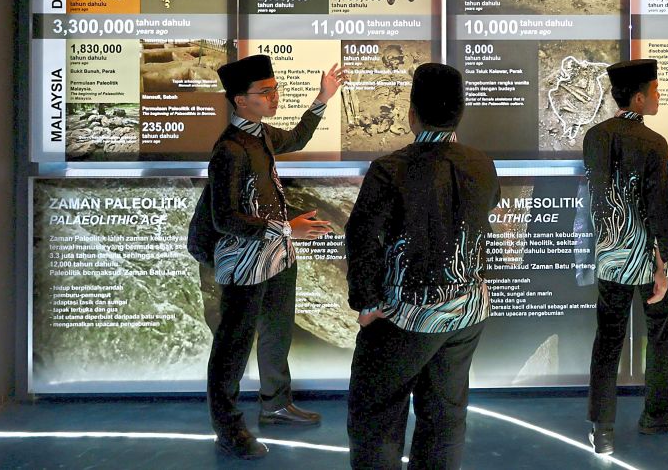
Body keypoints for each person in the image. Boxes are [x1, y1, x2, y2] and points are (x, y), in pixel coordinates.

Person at [344, 63, 500, 470]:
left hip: (404, 315)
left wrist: (365, 303)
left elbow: (361, 238)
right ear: (460, 113)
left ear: (411, 113)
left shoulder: (389, 169)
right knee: (446, 416)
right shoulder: (482, 164)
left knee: (376, 416)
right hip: (466, 313)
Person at [207, 54, 345, 460]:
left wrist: (322, 98)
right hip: (245, 263)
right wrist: (288, 228)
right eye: (264, 92)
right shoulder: (229, 150)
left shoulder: (261, 135)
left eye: (275, 89)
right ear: (239, 100)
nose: (273, 97)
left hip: (277, 257)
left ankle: (276, 404)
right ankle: (229, 429)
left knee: (276, 332)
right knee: (233, 346)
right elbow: (225, 218)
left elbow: (298, 139)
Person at [584, 59, 668, 455]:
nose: (659, 95)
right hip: (647, 259)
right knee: (660, 334)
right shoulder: (654, 143)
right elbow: (657, 210)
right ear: (638, 97)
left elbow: (600, 200)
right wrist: (662, 264)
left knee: (608, 338)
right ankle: (657, 414)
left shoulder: (594, 137)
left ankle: (602, 430)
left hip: (610, 256)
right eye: (656, 90)